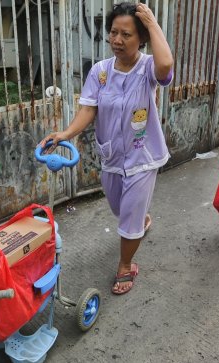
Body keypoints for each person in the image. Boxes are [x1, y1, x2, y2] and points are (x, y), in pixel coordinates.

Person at [39, 2, 173, 294]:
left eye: (126, 34)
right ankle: (140, 219)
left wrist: (152, 23)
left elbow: (166, 65)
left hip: (143, 156)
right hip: (111, 156)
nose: (117, 40)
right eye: (114, 32)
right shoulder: (100, 72)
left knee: (129, 219)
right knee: (119, 207)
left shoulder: (148, 67)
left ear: (141, 39)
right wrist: (65, 134)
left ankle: (126, 264)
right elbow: (88, 110)